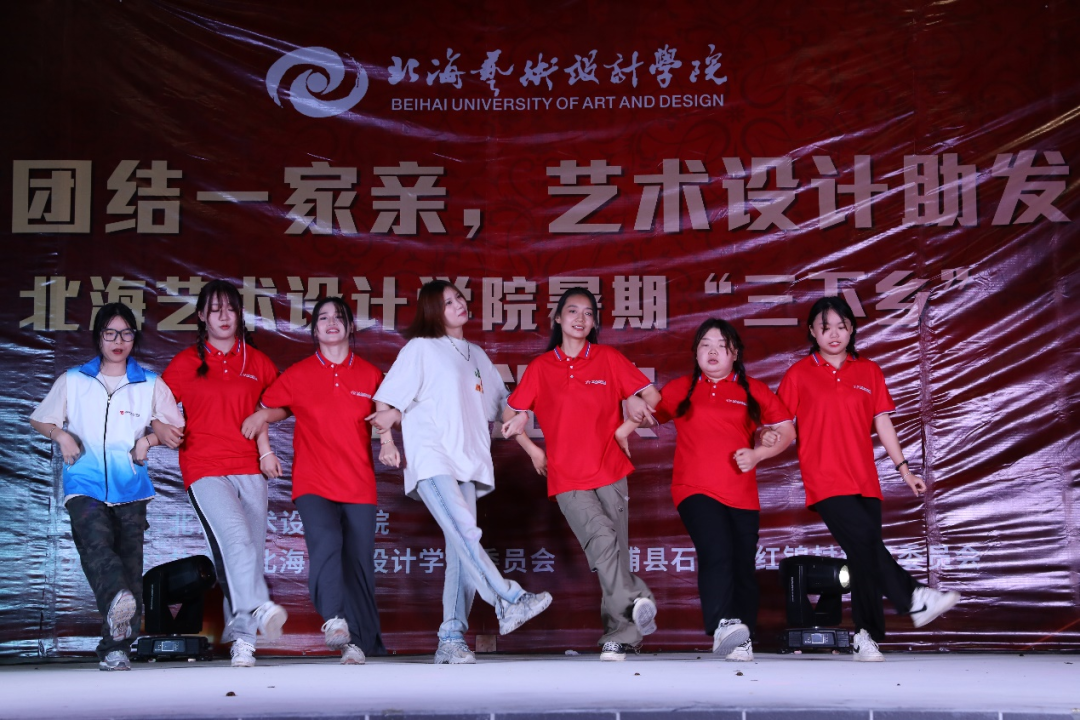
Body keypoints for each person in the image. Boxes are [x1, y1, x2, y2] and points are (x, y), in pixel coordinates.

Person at [368, 280, 551, 665]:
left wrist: (532, 445)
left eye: (459, 298)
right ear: (433, 310)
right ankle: (509, 598)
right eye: (447, 302)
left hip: (469, 462)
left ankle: (451, 639)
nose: (458, 305)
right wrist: (386, 442)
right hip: (433, 458)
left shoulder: (476, 355)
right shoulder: (420, 348)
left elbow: (504, 408)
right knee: (467, 535)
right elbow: (386, 398)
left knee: (461, 551)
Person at [777, 296, 960, 662]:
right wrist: (765, 442)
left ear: (852, 330)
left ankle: (866, 636)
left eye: (841, 326)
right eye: (825, 327)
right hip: (825, 478)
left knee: (864, 555)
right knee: (865, 545)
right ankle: (913, 596)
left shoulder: (869, 371)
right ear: (812, 331)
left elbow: (882, 421)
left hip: (864, 479)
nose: (833, 334)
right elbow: (782, 424)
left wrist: (905, 470)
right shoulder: (799, 374)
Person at [502, 287, 661, 662]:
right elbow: (509, 415)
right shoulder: (542, 368)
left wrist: (626, 426)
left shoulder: (608, 359)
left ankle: (619, 637)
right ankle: (638, 600)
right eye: (572, 311)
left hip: (611, 470)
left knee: (614, 553)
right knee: (603, 541)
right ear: (558, 318)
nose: (580, 318)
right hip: (566, 476)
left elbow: (653, 399)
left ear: (593, 323)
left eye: (588, 313)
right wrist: (533, 449)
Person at [30, 302, 185, 671]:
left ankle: (116, 648)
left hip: (130, 485)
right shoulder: (73, 380)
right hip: (83, 483)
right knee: (97, 548)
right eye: (110, 333)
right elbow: (41, 419)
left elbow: (175, 429)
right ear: (99, 337)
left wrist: (148, 441)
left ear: (134, 338)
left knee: (130, 566)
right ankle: (117, 598)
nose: (118, 341)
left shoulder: (149, 383)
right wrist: (61, 435)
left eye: (126, 333)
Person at [243, 297, 390, 665]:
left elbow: (389, 412)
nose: (331, 322)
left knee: (359, 563)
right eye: (323, 318)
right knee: (326, 545)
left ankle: (363, 643)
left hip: (358, 482)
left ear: (351, 327)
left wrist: (389, 439)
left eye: (339, 317)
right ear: (314, 330)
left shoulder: (371, 375)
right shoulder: (299, 373)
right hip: (314, 481)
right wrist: (265, 450)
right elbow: (264, 409)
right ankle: (336, 620)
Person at [640, 319, 794, 662]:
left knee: (742, 565)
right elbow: (649, 415)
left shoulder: (753, 390)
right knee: (717, 549)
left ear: (734, 353)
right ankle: (723, 623)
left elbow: (786, 430)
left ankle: (741, 638)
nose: (712, 351)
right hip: (693, 487)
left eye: (721, 346)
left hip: (741, 493)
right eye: (704, 345)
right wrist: (632, 407)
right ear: (695, 352)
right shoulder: (683, 388)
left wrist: (759, 453)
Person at [160, 279, 287, 668]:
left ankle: (243, 636)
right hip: (205, 467)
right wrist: (160, 428)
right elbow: (155, 405)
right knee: (236, 540)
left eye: (230, 308)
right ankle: (254, 617)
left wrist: (263, 420)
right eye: (215, 309)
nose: (224, 316)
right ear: (201, 316)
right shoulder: (185, 363)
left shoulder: (256, 361)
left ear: (240, 314)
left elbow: (284, 404)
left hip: (250, 468)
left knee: (250, 552)